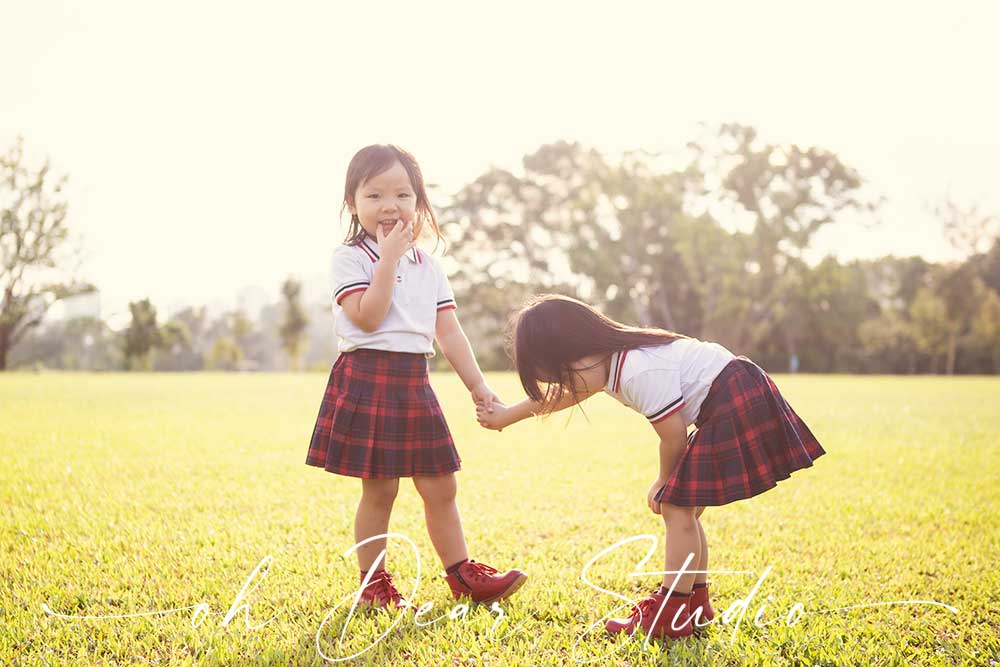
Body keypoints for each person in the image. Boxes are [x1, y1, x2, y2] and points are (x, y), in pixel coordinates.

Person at [477, 294, 825, 638]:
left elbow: (672, 436)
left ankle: (670, 612)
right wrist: (507, 415)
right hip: (730, 393)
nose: (566, 386)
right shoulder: (606, 363)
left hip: (733, 398)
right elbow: (568, 395)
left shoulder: (636, 370)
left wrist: (662, 482)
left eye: (564, 374)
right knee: (683, 509)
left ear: (582, 349)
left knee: (675, 506)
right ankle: (694, 604)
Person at [306, 144, 526, 609]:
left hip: (412, 378)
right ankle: (373, 585)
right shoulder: (348, 258)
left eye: (403, 195)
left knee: (441, 483)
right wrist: (386, 258)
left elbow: (448, 330)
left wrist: (478, 386)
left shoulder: (429, 265)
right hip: (368, 375)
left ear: (419, 202)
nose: (390, 205)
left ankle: (462, 575)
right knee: (381, 487)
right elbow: (368, 317)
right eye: (375, 195)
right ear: (353, 203)